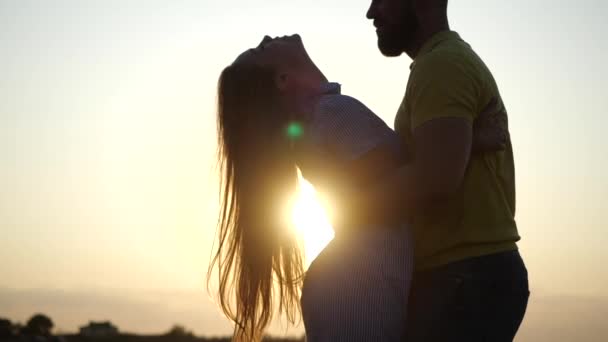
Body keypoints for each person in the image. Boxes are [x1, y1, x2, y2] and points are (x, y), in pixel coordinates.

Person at [208, 34, 506, 341]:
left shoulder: (314, 128)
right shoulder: (332, 112)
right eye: (261, 48)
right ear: (282, 79)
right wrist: (471, 140)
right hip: (359, 286)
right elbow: (414, 175)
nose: (267, 37)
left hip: (351, 283)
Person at [329, 0, 528, 340]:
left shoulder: (442, 66)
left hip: (463, 278)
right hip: (465, 275)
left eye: (381, 0)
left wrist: (352, 210)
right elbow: (434, 163)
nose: (371, 12)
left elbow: (435, 178)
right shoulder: (441, 63)